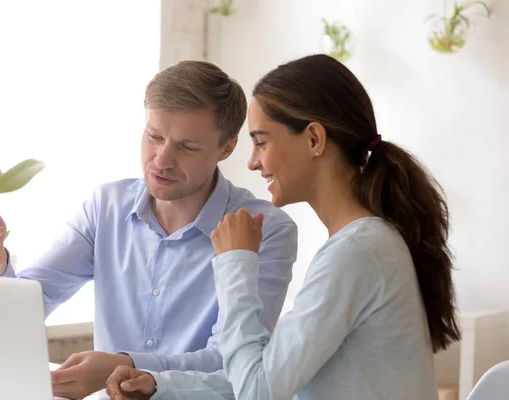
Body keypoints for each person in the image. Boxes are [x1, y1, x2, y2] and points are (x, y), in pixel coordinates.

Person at [105, 53, 462, 400]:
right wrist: (158, 385)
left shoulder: (357, 252)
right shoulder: (362, 244)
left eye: (261, 141)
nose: (252, 162)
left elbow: (258, 391)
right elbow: (265, 374)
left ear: (313, 140)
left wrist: (236, 262)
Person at [0, 60, 298, 399]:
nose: (161, 160)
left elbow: (232, 362)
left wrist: (122, 364)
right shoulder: (106, 207)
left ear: (226, 147)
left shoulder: (266, 230)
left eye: (186, 147)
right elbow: (27, 307)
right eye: (154, 137)